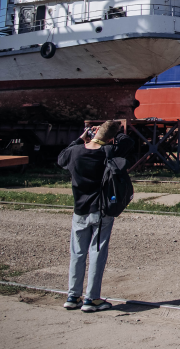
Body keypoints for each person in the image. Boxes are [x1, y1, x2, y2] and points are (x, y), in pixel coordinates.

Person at [57, 120, 133, 312]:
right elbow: (127, 142)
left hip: (79, 211)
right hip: (101, 211)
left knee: (77, 253)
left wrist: (84, 137)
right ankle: (92, 299)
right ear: (110, 138)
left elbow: (61, 158)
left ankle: (73, 296)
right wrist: (104, 133)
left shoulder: (74, 152)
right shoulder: (107, 152)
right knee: (97, 253)